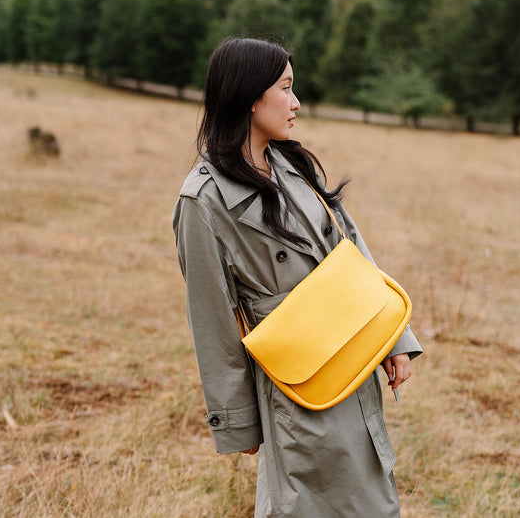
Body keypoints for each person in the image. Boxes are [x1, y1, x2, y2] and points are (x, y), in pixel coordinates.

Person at [173, 38, 423, 517]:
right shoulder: (201, 201)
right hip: (299, 377)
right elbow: (213, 321)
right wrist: (238, 422)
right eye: (286, 88)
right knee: (305, 504)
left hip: (352, 353)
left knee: (371, 500)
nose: (296, 103)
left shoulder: (291, 163)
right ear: (250, 97)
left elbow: (349, 247)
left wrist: (394, 336)